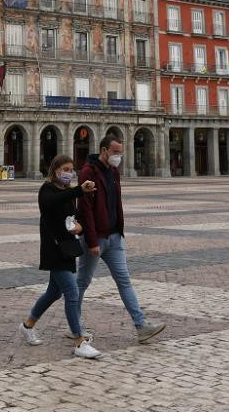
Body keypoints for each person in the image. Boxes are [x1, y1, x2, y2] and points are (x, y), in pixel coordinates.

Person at [75, 135, 166, 344]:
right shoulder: (88, 172)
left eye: (120, 152)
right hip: (96, 238)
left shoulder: (114, 172)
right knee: (82, 282)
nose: (119, 156)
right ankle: (74, 325)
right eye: (116, 152)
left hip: (114, 237)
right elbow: (85, 209)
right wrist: (91, 241)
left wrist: (119, 229)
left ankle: (141, 326)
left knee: (124, 281)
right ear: (104, 150)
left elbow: (116, 202)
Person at [19, 155, 101, 359]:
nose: (69, 173)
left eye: (71, 169)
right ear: (55, 170)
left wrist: (80, 227)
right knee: (71, 293)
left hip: (67, 248)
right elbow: (53, 202)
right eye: (65, 169)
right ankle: (79, 340)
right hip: (53, 249)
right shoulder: (47, 190)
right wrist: (79, 190)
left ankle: (27, 325)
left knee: (54, 292)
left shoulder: (69, 192)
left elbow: (73, 216)